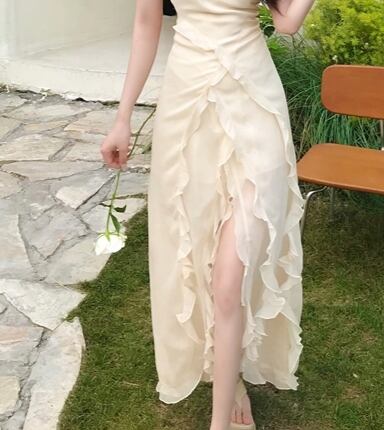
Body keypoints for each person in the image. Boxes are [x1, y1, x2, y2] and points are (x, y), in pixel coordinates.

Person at [100, 1, 316, 429]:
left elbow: (287, 22)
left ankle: (220, 423)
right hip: (188, 112)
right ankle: (229, 377)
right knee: (195, 250)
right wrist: (123, 117)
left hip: (255, 108)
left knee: (229, 279)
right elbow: (145, 23)